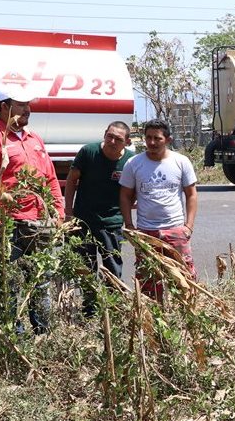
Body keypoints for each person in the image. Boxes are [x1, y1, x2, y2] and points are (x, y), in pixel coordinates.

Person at [0, 86, 65, 333]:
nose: (28, 110)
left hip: (39, 223)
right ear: (4, 106)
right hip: (11, 224)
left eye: (28, 105)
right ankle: (15, 337)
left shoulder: (34, 139)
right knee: (10, 283)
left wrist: (57, 210)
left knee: (40, 280)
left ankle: (43, 336)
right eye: (22, 105)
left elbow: (50, 178)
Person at [119, 120, 198, 297]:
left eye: (157, 138)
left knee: (184, 280)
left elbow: (191, 194)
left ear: (168, 139)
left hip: (176, 231)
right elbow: (124, 196)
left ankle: (185, 319)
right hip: (146, 233)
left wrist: (188, 226)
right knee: (148, 282)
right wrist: (130, 226)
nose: (152, 142)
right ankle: (153, 320)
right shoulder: (133, 163)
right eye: (148, 138)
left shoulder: (181, 162)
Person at [66, 122, 133, 315]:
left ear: (126, 142)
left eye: (118, 139)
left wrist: (127, 221)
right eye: (109, 136)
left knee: (113, 268)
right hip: (83, 221)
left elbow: (131, 192)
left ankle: (112, 309)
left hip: (111, 223)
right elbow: (71, 180)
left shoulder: (130, 161)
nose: (112, 141)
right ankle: (90, 310)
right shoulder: (88, 152)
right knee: (85, 268)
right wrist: (68, 213)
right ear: (104, 134)